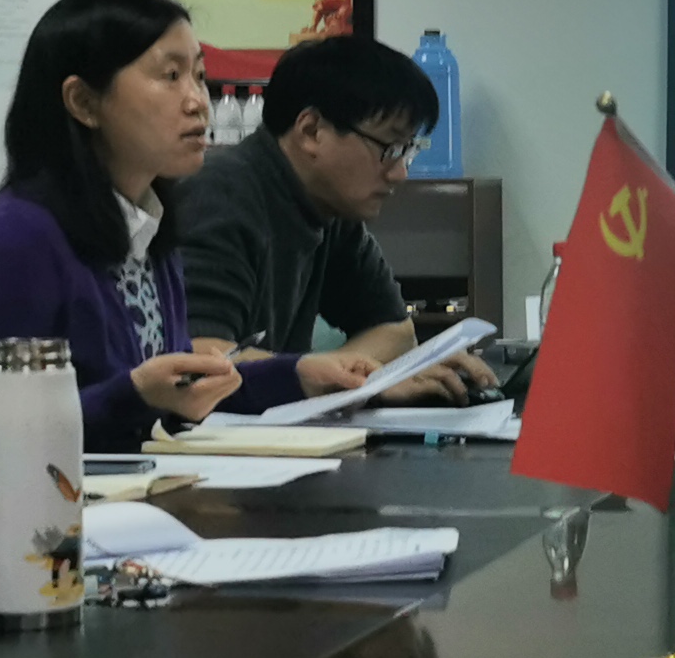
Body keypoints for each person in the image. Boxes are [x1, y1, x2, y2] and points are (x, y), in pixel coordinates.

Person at [0, 0, 377, 475]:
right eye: (171, 76)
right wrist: (132, 397)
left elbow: (176, 396)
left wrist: (295, 375)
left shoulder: (149, 229)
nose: (199, 102)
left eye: (199, 76)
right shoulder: (14, 242)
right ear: (83, 102)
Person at [179, 33, 492, 406]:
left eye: (407, 150)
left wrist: (355, 376)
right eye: (389, 148)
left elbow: (395, 331)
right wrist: (347, 380)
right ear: (311, 131)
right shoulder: (221, 195)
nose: (400, 173)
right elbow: (203, 363)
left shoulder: (328, 205)